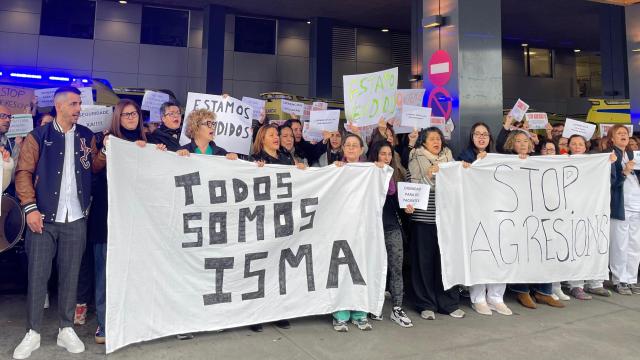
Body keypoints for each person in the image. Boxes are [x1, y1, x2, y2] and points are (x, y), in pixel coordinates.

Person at [13, 87, 105, 359]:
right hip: (42, 217)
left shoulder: (87, 136)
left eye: (79, 103)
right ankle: (33, 332)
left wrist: (105, 154)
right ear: (59, 105)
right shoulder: (38, 136)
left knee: (70, 276)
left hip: (76, 217)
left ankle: (66, 329)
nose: (79, 108)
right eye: (74, 103)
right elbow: (23, 172)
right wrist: (30, 208)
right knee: (38, 276)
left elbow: (95, 168)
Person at [88, 100, 167, 345]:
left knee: (137, 272)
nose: (131, 117)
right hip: (107, 216)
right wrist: (106, 150)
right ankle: (105, 323)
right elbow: (95, 168)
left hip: (140, 218)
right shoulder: (106, 140)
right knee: (106, 272)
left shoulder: (152, 142)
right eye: (126, 114)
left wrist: (159, 154)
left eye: (134, 114)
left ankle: (135, 320)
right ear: (117, 118)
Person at [406, 127, 465, 320]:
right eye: (432, 138)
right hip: (424, 218)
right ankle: (426, 303)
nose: (436, 141)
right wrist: (428, 177)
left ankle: (448, 302)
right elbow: (412, 188)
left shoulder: (450, 157)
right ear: (423, 141)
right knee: (424, 263)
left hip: (447, 219)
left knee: (447, 261)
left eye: (438, 138)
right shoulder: (415, 157)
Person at [503, 130, 565, 309]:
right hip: (519, 215)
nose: (522, 144)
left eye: (525, 141)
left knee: (544, 251)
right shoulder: (505, 161)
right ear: (511, 144)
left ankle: (544, 292)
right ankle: (522, 291)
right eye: (518, 141)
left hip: (542, 213)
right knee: (524, 252)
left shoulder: (540, 161)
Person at [330, 133, 382, 332]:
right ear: (343, 149)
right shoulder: (335, 169)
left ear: (362, 149)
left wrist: (380, 171)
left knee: (362, 268)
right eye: (348, 145)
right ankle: (340, 313)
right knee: (341, 269)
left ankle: (360, 313)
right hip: (341, 227)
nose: (351, 148)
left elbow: (391, 189)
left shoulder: (371, 169)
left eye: (355, 145)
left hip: (363, 229)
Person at [367, 141, 413, 327]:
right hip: (371, 228)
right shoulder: (366, 173)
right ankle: (372, 306)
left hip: (391, 226)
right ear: (375, 155)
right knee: (373, 267)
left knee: (396, 266)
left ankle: (397, 308)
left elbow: (401, 203)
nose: (386, 158)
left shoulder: (396, 175)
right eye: (382, 154)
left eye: (389, 154)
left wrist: (408, 208)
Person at [564, 135, 614, 299]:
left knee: (596, 242)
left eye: (580, 144)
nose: (577, 146)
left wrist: (609, 162)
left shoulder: (595, 162)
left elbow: (609, 179)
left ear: (585, 146)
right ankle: (576, 285)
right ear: (569, 146)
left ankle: (595, 283)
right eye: (574, 144)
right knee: (576, 246)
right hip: (572, 211)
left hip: (593, 210)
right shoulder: (562, 160)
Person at [608, 124, 640, 295]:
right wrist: (625, 172)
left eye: (625, 133)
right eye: (619, 133)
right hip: (620, 207)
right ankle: (620, 279)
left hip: (637, 206)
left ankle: (632, 279)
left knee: (635, 245)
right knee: (620, 245)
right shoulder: (610, 156)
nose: (623, 136)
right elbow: (610, 184)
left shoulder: (633, 155)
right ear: (612, 138)